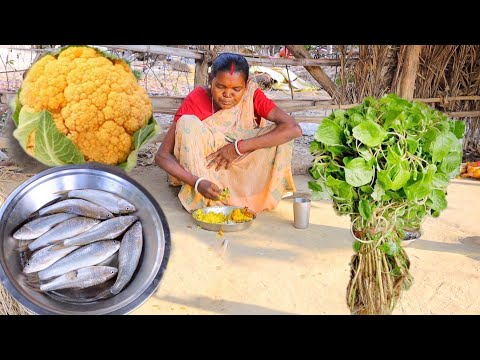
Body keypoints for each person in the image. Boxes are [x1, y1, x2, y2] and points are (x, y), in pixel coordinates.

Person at [155, 53, 303, 213]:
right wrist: (197, 182)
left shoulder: (251, 96)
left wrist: (238, 148)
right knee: (187, 122)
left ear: (246, 86)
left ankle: (249, 195)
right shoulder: (196, 99)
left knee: (282, 133)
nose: (227, 94)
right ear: (210, 79)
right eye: (220, 86)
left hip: (240, 161)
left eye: (236, 89)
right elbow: (162, 156)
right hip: (206, 171)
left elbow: (293, 128)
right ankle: (204, 196)